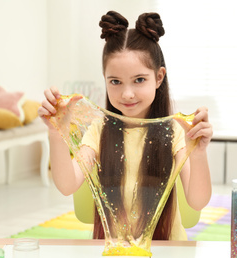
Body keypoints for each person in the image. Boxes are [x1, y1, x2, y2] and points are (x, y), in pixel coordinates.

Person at [38, 11, 213, 241]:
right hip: (113, 251)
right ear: (105, 79)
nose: (127, 94)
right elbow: (67, 184)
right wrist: (55, 132)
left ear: (159, 77)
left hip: (165, 251)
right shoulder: (100, 129)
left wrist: (198, 152)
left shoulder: (174, 131)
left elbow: (198, 201)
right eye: (115, 82)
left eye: (139, 80)